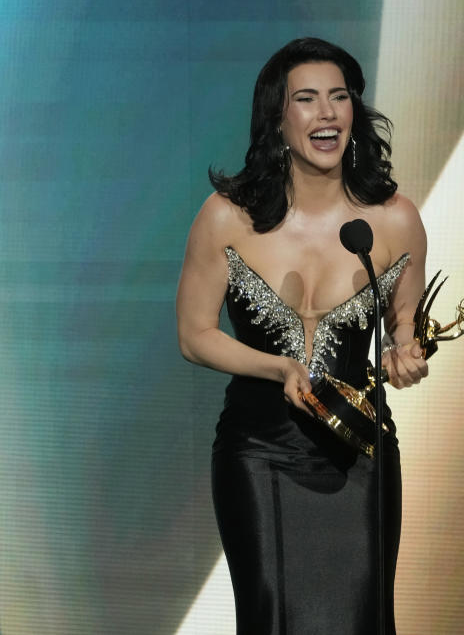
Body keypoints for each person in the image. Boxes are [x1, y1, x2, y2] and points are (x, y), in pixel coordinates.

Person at [176, 37, 429, 634]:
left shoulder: (395, 219)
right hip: (258, 453)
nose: (327, 114)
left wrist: (407, 356)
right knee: (272, 617)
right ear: (277, 117)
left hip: (360, 458)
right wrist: (278, 368)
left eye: (339, 97)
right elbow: (194, 335)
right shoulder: (226, 216)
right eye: (308, 99)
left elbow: (404, 331)